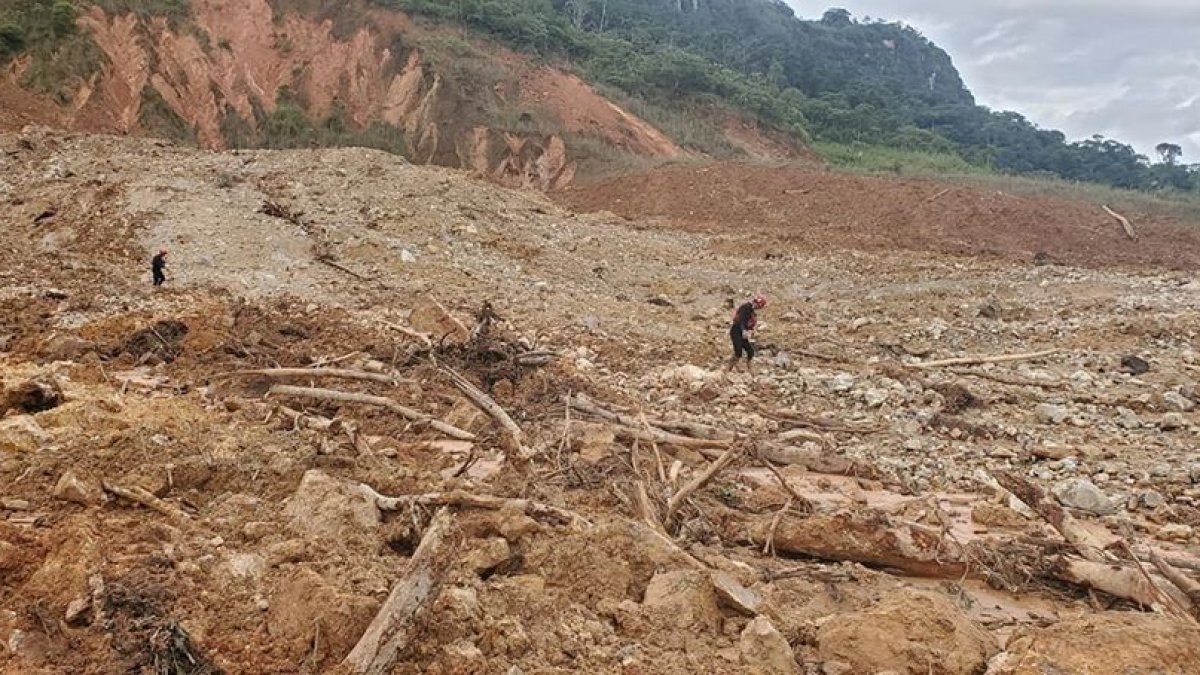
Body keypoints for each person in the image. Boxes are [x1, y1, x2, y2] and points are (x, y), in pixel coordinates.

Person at [727, 293, 767, 373]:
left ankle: (749, 368)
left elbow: (748, 323)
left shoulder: (752, 312)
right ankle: (729, 368)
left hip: (743, 333)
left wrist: (750, 331)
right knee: (738, 351)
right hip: (736, 331)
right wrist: (743, 330)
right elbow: (740, 320)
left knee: (750, 351)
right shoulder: (746, 307)